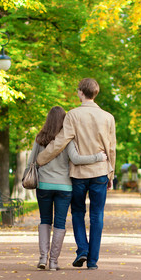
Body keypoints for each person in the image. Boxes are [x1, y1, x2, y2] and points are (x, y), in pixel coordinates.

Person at [37, 78, 116, 270]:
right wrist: (111, 173)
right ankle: (93, 261)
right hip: (100, 172)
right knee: (97, 215)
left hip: (79, 174)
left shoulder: (72, 115)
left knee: (78, 213)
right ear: (95, 93)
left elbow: (61, 141)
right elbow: (111, 148)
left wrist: (41, 159)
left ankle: (82, 249)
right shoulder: (108, 117)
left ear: (81, 92)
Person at [26, 106, 107, 271]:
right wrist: (98, 157)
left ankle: (43, 258)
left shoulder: (39, 138)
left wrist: (27, 176)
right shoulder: (67, 139)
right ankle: (54, 262)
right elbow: (76, 159)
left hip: (44, 185)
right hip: (64, 187)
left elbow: (31, 161)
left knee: (45, 220)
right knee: (60, 223)